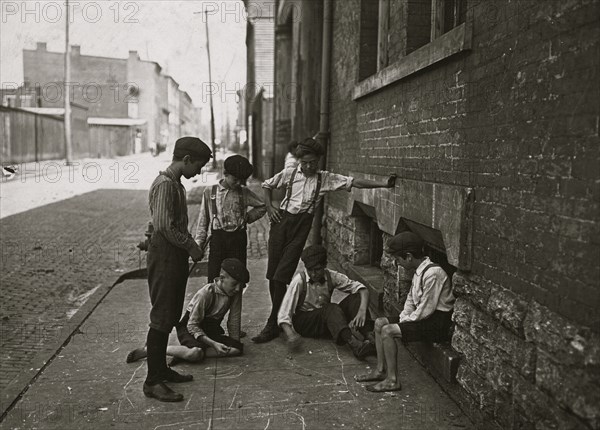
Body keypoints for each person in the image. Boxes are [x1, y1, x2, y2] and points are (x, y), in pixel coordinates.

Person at [252, 137, 397, 343]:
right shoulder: (290, 173)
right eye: (305, 162)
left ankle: (273, 323)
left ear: (319, 160)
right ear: (299, 161)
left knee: (282, 275)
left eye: (313, 162)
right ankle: (276, 320)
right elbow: (267, 185)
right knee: (273, 276)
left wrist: (383, 183)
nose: (309, 166)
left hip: (300, 228)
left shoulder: (325, 179)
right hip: (281, 224)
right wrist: (269, 207)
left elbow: (354, 182)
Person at [142, 136, 211, 403]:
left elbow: (159, 224)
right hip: (166, 257)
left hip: (173, 256)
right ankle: (152, 381)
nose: (199, 171)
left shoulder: (175, 185)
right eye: (199, 165)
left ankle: (161, 370)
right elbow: (164, 227)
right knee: (161, 317)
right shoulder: (166, 185)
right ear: (185, 160)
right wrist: (192, 245)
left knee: (170, 314)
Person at [355, 231, 455, 392]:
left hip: (437, 323)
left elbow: (425, 310)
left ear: (408, 256)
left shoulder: (433, 274)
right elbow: (410, 300)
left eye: (398, 259)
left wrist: (403, 325)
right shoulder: (419, 270)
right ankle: (381, 370)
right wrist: (403, 318)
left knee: (388, 331)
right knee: (380, 322)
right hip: (424, 317)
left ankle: (392, 380)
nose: (397, 264)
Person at [126, 258, 249, 366]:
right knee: (196, 353)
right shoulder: (206, 294)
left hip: (209, 330)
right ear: (222, 278)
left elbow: (234, 320)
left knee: (236, 349)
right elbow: (192, 325)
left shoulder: (234, 293)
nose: (238, 288)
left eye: (241, 285)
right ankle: (152, 351)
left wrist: (234, 342)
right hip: (190, 328)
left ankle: (182, 353)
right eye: (234, 284)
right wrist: (214, 344)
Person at [278, 245, 376, 359]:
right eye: (310, 270)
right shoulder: (299, 281)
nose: (313, 274)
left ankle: (370, 337)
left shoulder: (331, 276)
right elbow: (283, 314)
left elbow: (362, 289)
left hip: (326, 319)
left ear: (325, 266)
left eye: (317, 269)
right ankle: (355, 345)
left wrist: (362, 311)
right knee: (331, 308)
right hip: (306, 322)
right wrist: (291, 335)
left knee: (356, 298)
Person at [195, 155, 266, 284]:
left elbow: (261, 206)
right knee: (215, 279)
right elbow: (203, 221)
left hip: (237, 241)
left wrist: (248, 217)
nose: (238, 183)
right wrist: (199, 244)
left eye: (241, 180)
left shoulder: (244, 192)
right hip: (217, 241)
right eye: (235, 180)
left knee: (237, 280)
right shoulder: (210, 192)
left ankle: (235, 304)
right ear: (225, 174)